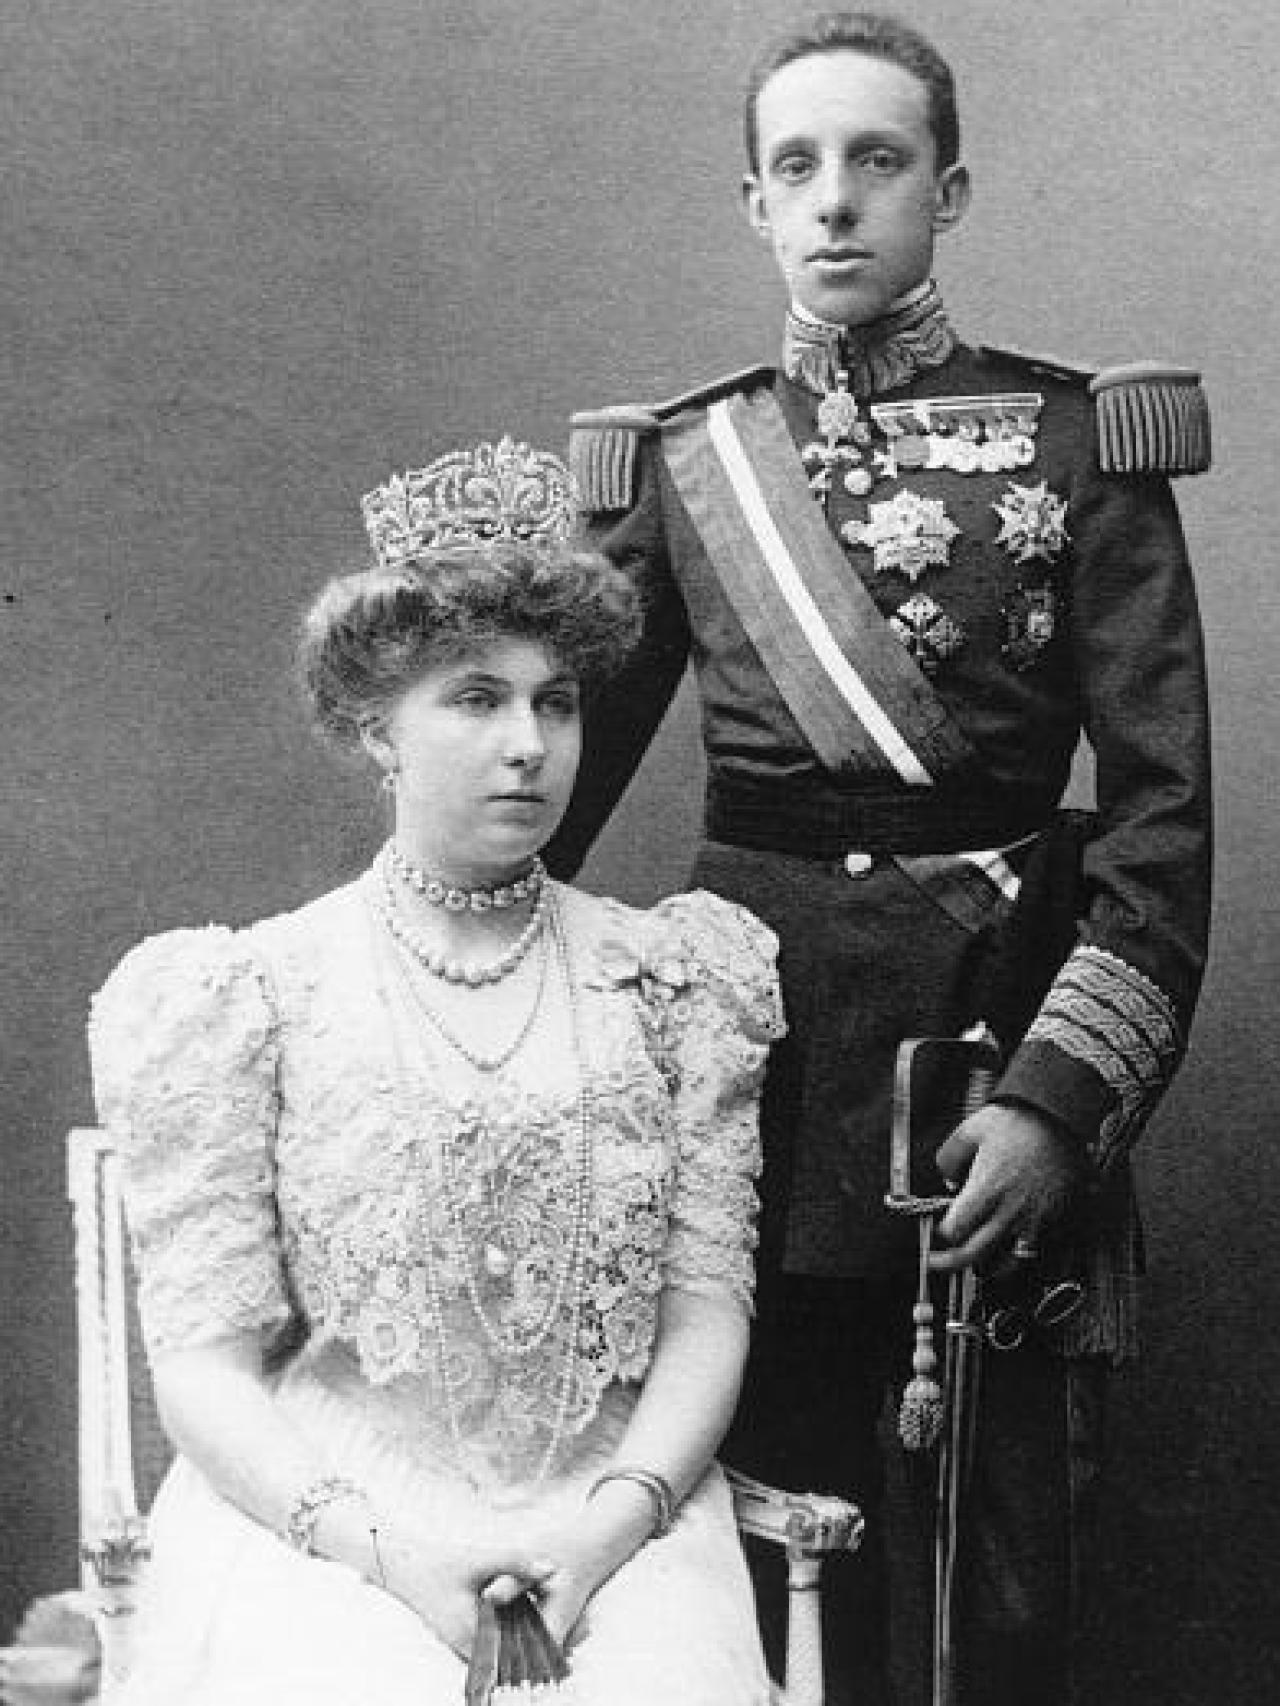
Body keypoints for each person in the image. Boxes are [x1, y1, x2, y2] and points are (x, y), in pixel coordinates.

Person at [553, 12, 1212, 1706]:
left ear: (950, 188)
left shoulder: (1082, 447)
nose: (834, 202)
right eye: (797, 167)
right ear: (756, 207)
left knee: (983, 1587)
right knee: (746, 1561)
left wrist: (1061, 1101)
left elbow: (1158, 830)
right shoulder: (691, 465)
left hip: (975, 1083)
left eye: (877, 160)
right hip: (742, 1090)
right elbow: (532, 801)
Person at [86, 437, 783, 1706]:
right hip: (331, 1517)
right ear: (375, 728)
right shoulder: (251, 991)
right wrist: (385, 1552)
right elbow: (203, 1364)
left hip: (618, 1521)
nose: (528, 743)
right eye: (475, 697)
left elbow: (703, 1317)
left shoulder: (677, 979)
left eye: (554, 700)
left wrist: (610, 1523)